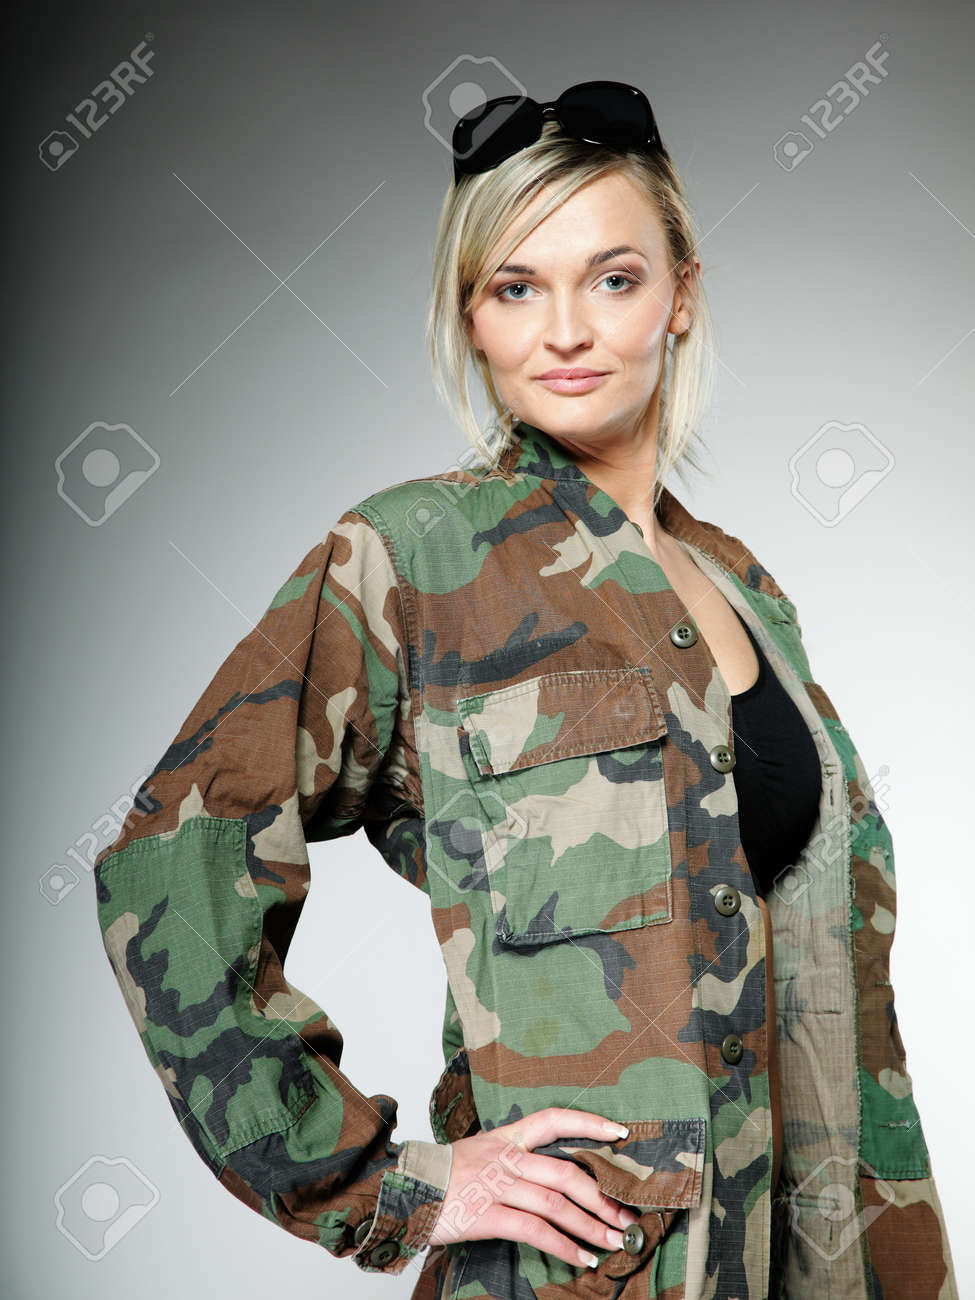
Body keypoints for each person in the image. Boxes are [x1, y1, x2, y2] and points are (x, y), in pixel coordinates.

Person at [94, 81, 958, 1299]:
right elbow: (163, 868)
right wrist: (395, 1183)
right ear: (474, 318)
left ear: (681, 299)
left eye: (612, 278)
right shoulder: (412, 559)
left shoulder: (749, 585)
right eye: (516, 286)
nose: (566, 329)